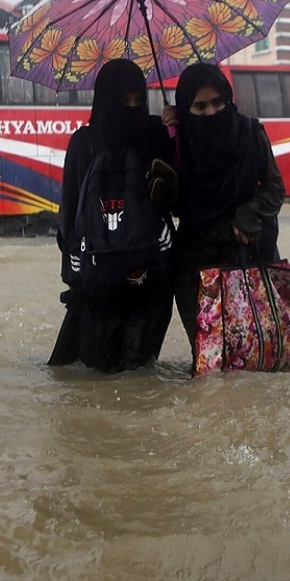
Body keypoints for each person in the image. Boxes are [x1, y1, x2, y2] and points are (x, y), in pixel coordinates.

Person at [48, 59, 177, 373]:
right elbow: (71, 214)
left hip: (150, 281)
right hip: (98, 282)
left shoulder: (155, 135)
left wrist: (176, 131)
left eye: (138, 101)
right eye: (124, 101)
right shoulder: (84, 144)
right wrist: (75, 275)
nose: (132, 109)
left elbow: (177, 196)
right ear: (106, 100)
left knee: (137, 373)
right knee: (98, 372)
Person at [168, 63, 286, 360]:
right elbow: (172, 204)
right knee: (209, 366)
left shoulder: (250, 132)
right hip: (194, 267)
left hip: (245, 258)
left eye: (218, 102)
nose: (211, 112)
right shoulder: (178, 141)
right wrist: (166, 138)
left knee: (255, 356)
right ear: (185, 108)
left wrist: (247, 216)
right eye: (199, 106)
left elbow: (274, 188)